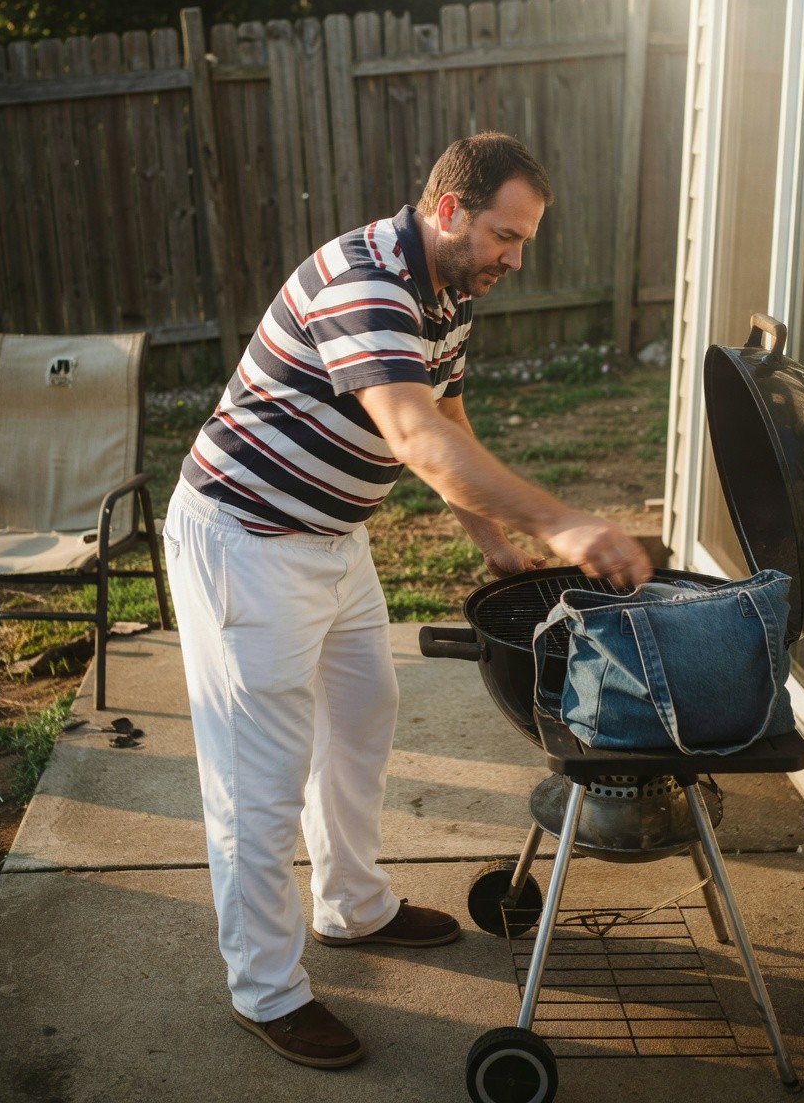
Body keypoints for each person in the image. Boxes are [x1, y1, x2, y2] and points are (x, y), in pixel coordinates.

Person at [163, 132, 652, 1071]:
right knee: (257, 778)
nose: (516, 257)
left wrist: (491, 538)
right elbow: (413, 432)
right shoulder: (366, 281)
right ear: (446, 211)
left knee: (361, 719)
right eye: (507, 236)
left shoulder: (447, 292)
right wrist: (561, 525)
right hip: (246, 539)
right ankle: (264, 988)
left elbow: (450, 412)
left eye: (526, 240)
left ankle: (352, 908)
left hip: (333, 537)